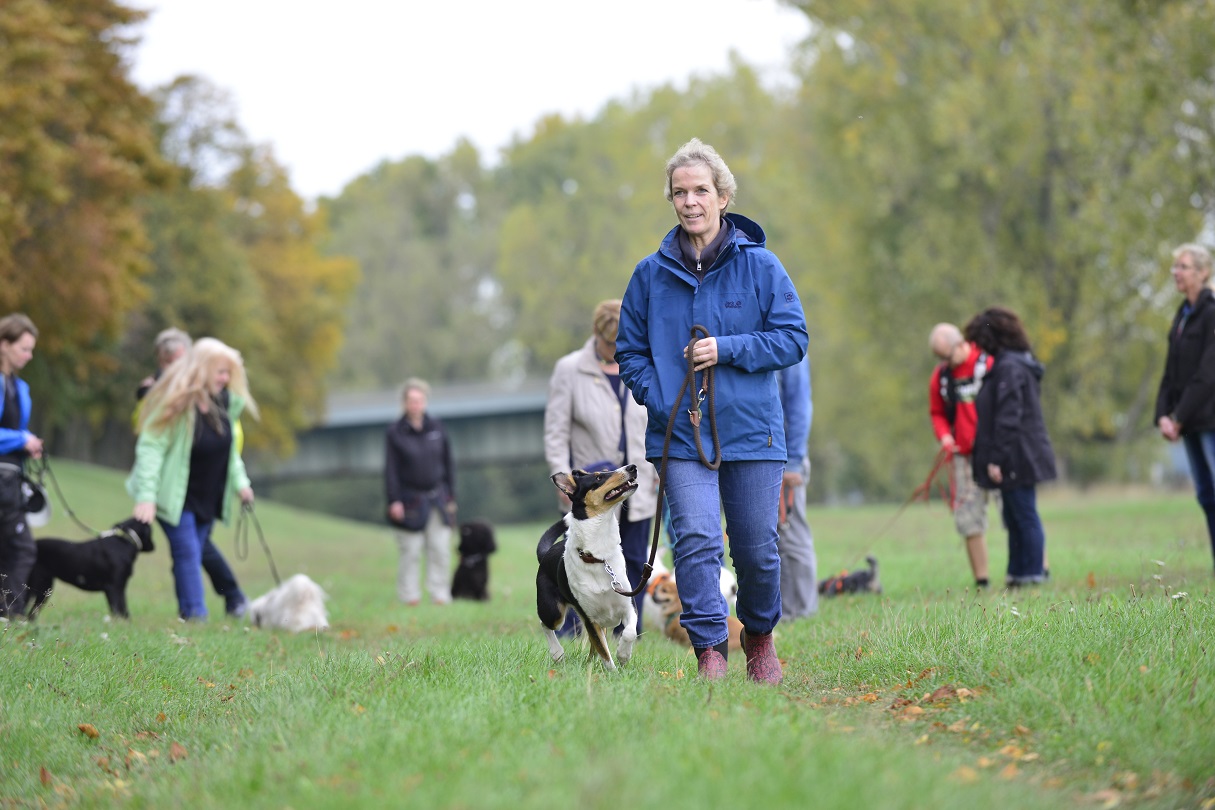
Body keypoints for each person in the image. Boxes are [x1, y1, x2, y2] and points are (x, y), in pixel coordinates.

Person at [617, 138, 808, 683]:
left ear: (723, 196)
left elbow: (793, 339)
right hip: (679, 435)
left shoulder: (762, 267)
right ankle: (710, 653)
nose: (690, 201)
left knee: (756, 550)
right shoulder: (648, 276)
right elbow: (628, 351)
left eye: (701, 190)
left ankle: (760, 638)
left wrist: (728, 348)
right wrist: (660, 398)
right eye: (680, 192)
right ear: (671, 201)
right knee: (697, 540)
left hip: (752, 432)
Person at [544, 299, 658, 633]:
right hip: (593, 488)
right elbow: (556, 432)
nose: (618, 348)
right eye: (612, 342)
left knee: (635, 559)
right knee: (582, 562)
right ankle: (573, 632)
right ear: (597, 333)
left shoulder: (642, 364)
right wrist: (564, 479)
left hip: (638, 480)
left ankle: (628, 632)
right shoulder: (570, 369)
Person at [127, 337, 256, 620]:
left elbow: (229, 450)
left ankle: (214, 604)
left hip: (207, 496)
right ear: (202, 369)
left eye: (228, 373)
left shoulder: (225, 403)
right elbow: (151, 448)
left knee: (195, 551)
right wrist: (146, 496)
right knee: (187, 551)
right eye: (220, 372)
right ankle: (196, 616)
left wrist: (241, 484)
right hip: (174, 494)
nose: (225, 379)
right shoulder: (175, 402)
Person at [964, 307, 1056, 587]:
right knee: (1013, 516)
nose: (978, 349)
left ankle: (1031, 574)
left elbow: (1008, 417)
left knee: (1025, 515)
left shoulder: (1009, 368)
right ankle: (1017, 574)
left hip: (1019, 455)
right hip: (1018, 454)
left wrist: (996, 459)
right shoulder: (1011, 365)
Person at [1154, 243, 1215, 572]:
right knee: (1206, 495)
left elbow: (1209, 374)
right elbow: (1171, 372)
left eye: (1183, 266)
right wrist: (1163, 415)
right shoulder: (1182, 315)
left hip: (1208, 418)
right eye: (1174, 267)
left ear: (1203, 272)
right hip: (1188, 420)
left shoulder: (1211, 311)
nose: (1176, 273)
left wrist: (1178, 416)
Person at [928, 322, 995, 588]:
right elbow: (937, 412)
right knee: (968, 518)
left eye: (947, 356)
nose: (945, 363)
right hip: (963, 458)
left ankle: (1031, 572)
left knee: (1017, 511)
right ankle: (983, 580)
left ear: (960, 343)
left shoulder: (987, 364)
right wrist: (945, 436)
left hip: (996, 452)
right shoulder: (942, 377)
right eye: (940, 359)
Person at [385, 378, 457, 606]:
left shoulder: (437, 427)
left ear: (425, 402)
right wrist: (394, 500)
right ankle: (410, 597)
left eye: (419, 400)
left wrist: (451, 497)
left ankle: (440, 595)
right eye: (411, 401)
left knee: (440, 549)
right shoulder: (395, 432)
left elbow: (448, 464)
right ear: (405, 403)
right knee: (411, 551)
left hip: (438, 497)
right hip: (408, 500)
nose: (416, 405)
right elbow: (391, 470)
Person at [0, 314, 43, 618]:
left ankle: (6, 613)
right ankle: (9, 614)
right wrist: (22, 438)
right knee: (22, 548)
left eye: (30, 350)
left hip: (11, 479)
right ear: (4, 344)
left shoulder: (20, 387)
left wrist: (28, 447)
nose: (28, 356)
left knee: (13, 547)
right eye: (23, 349)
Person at [777, 355, 817, 621]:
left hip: (787, 459)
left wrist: (793, 461)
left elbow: (800, 404)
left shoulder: (790, 349)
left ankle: (803, 610)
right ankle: (785, 610)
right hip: (769, 455)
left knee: (793, 535)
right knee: (777, 540)